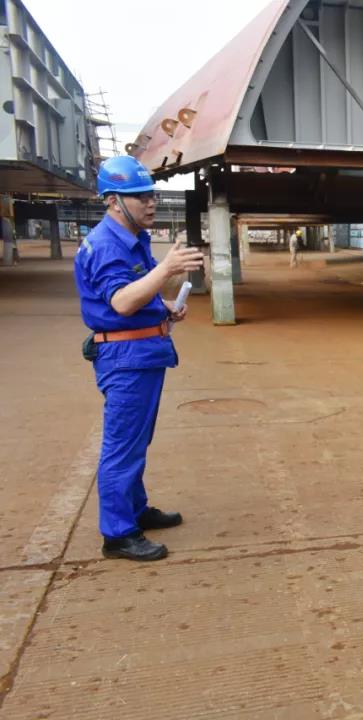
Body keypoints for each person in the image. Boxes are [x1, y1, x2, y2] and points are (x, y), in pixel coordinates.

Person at [74, 155, 204, 561]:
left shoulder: (130, 238)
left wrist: (163, 306)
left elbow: (137, 294)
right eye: (140, 197)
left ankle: (134, 509)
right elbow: (122, 301)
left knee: (135, 440)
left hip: (140, 352)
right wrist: (166, 270)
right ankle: (118, 534)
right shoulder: (106, 245)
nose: (150, 203)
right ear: (114, 201)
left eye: (151, 195)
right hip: (126, 358)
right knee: (122, 445)